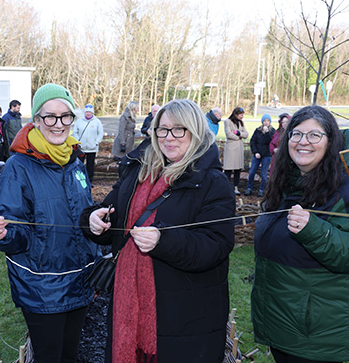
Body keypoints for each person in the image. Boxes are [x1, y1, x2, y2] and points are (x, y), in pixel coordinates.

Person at [82, 99, 236, 363]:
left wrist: (163, 241)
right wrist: (94, 221)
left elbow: (215, 245)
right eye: (162, 130)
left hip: (185, 315)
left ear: (196, 131)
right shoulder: (137, 172)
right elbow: (110, 214)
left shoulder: (212, 182)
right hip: (128, 303)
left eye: (179, 130)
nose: (168, 138)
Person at [251, 105, 349, 363]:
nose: (303, 142)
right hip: (283, 326)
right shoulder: (286, 183)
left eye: (314, 135)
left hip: (317, 334)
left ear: (330, 142)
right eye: (296, 134)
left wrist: (315, 231)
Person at [0, 83, 99, 363]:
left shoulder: (75, 161)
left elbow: (82, 216)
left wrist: (97, 221)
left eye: (65, 116)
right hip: (42, 288)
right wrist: (4, 235)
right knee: (49, 357)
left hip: (79, 280)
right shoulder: (19, 167)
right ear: (36, 120)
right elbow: (12, 231)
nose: (58, 124)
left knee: (70, 356)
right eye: (50, 116)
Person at [72, 103, 104, 182]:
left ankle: (89, 180)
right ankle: (79, 180)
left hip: (92, 148)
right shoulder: (79, 121)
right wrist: (78, 141)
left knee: (90, 165)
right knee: (80, 164)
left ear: (92, 113)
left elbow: (100, 133)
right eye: (87, 112)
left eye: (90, 112)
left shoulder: (97, 122)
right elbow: (75, 132)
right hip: (81, 148)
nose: (88, 113)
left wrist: (96, 142)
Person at [245, 114, 275, 197]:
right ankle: (249, 188)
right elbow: (253, 142)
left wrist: (267, 133)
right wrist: (255, 152)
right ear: (262, 122)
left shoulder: (272, 131)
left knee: (263, 174)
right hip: (257, 154)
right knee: (251, 172)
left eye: (267, 121)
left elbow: (272, 142)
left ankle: (262, 189)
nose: (266, 123)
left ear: (270, 122)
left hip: (267, 155)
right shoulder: (257, 130)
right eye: (264, 121)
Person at [223, 107, 248, 195]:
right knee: (228, 170)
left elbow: (246, 134)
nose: (242, 116)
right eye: (241, 114)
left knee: (238, 169)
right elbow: (229, 134)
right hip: (231, 148)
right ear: (235, 114)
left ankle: (235, 188)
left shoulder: (241, 123)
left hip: (239, 149)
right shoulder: (227, 122)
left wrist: (238, 133)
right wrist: (240, 137)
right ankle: (225, 187)